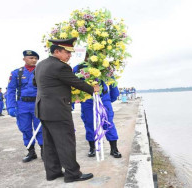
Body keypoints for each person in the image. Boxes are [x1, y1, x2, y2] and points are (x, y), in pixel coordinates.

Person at [34, 37, 99, 183]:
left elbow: (35, 82)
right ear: (57, 51)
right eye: (67, 52)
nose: (69, 56)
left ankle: (53, 173)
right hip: (57, 110)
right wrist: (92, 89)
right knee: (66, 142)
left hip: (43, 109)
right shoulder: (60, 66)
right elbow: (75, 82)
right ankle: (72, 174)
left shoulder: (41, 65)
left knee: (49, 143)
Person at [73, 59, 122, 158]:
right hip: (87, 100)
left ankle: (114, 149)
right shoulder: (79, 67)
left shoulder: (104, 66)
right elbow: (73, 83)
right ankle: (92, 148)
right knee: (90, 123)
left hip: (103, 98)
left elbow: (112, 81)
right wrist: (73, 101)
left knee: (108, 122)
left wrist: (112, 96)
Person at [7, 50, 43, 163]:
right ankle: (31, 152)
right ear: (24, 59)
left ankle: (44, 151)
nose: (34, 60)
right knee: (25, 128)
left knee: (40, 128)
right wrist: (11, 106)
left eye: (35, 58)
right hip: (22, 105)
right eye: (31, 58)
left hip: (38, 103)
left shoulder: (41, 71)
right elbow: (11, 90)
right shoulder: (16, 73)